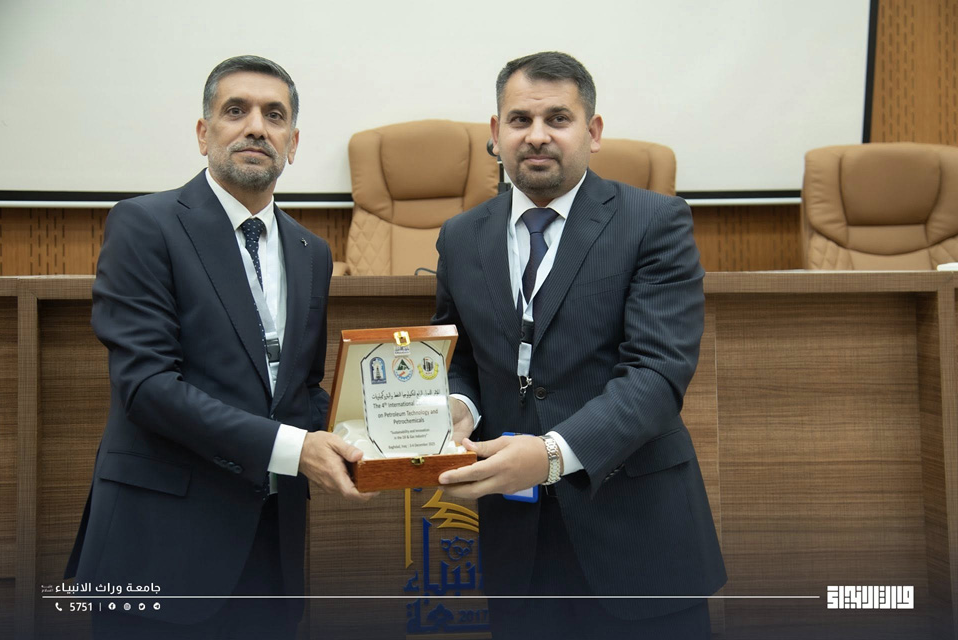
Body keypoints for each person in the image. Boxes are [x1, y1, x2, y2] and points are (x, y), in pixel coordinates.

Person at [65, 55, 372, 639]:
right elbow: (147, 388)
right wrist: (295, 449)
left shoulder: (311, 251)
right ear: (203, 133)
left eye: (274, 115)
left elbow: (300, 389)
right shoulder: (144, 225)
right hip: (161, 545)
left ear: (293, 143)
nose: (256, 127)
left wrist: (381, 438)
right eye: (236, 111)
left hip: (271, 547)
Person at [433, 51, 726, 639]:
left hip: (635, 533)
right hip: (518, 542)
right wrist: (459, 407)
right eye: (519, 120)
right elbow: (458, 355)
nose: (536, 136)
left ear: (592, 132)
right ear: (495, 132)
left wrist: (551, 454)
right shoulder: (461, 236)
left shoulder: (655, 221)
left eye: (558, 119)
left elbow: (657, 373)